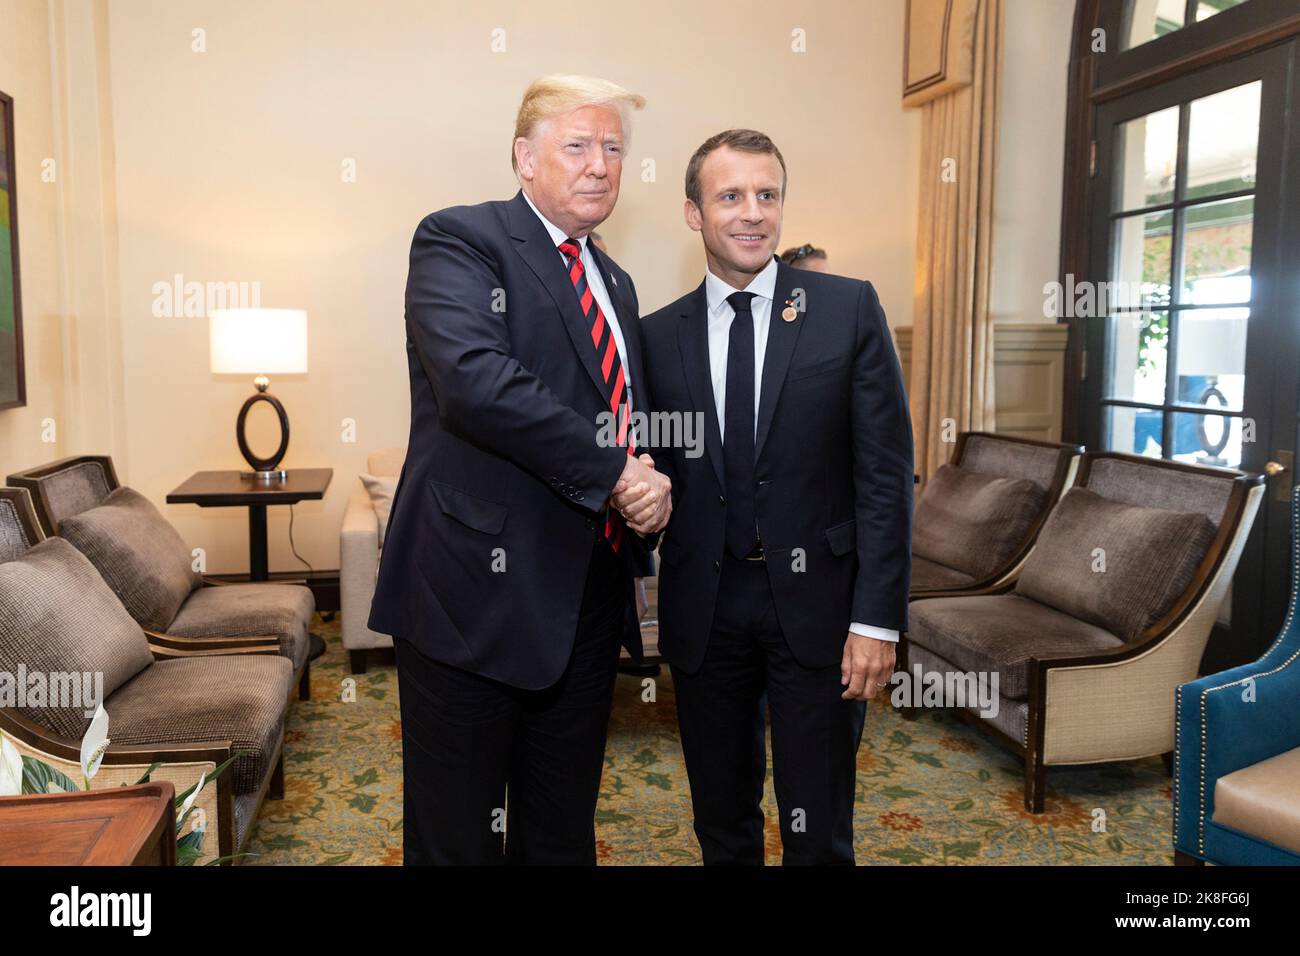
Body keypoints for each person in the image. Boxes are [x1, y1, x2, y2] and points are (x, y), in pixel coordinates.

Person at [369, 74, 670, 865]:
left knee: (562, 827)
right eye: (577, 145)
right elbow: (477, 382)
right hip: (472, 594)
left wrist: (648, 480)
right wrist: (616, 474)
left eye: (613, 149)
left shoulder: (618, 282)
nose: (600, 165)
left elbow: (617, 413)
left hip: (586, 599)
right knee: (458, 834)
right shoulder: (461, 239)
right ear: (523, 157)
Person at [639, 129, 913, 865]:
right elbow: (650, 468)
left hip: (820, 607)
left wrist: (877, 622)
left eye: (767, 195)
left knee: (816, 823)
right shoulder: (656, 338)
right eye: (730, 196)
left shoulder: (846, 310)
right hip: (706, 609)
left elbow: (885, 476)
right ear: (695, 213)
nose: (752, 213)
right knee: (721, 818)